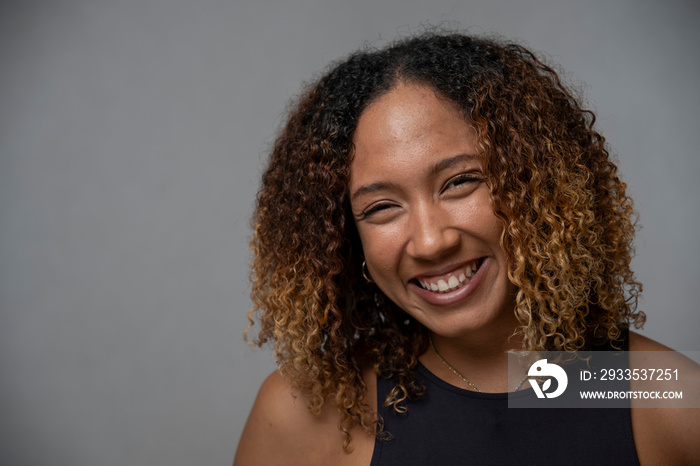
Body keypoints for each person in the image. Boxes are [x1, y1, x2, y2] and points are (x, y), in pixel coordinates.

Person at [234, 33, 699, 465]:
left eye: (460, 182)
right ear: (344, 237)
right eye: (381, 207)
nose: (432, 241)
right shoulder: (305, 418)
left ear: (535, 185)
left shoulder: (657, 396)